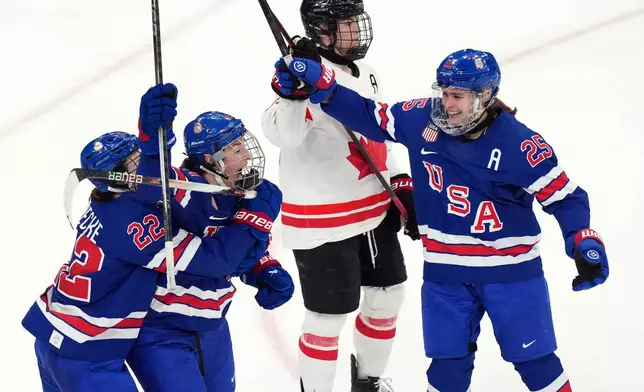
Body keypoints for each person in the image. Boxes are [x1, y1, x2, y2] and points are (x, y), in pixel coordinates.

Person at [278, 48, 610, 391]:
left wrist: (581, 238)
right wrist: (323, 84)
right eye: (444, 93)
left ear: (484, 97)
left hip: (509, 276)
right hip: (445, 276)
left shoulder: (519, 144)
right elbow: (367, 115)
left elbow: (566, 198)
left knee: (536, 363)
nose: (448, 104)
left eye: (458, 96)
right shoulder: (420, 118)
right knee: (446, 370)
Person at [262, 1, 419, 391]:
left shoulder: (368, 73)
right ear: (323, 31)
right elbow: (285, 135)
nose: (357, 29)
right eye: (347, 23)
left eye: (357, 20)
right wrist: (292, 95)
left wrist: (401, 182)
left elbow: (379, 133)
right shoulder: (304, 76)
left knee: (387, 298)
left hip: (374, 210)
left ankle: (368, 382)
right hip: (323, 222)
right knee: (327, 318)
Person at [127, 89, 293, 392]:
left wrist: (262, 268)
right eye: (234, 147)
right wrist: (151, 144)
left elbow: (239, 254)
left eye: (243, 143)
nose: (245, 153)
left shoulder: (244, 192)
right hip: (162, 328)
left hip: (212, 323)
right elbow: (152, 186)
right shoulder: (185, 187)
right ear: (209, 158)